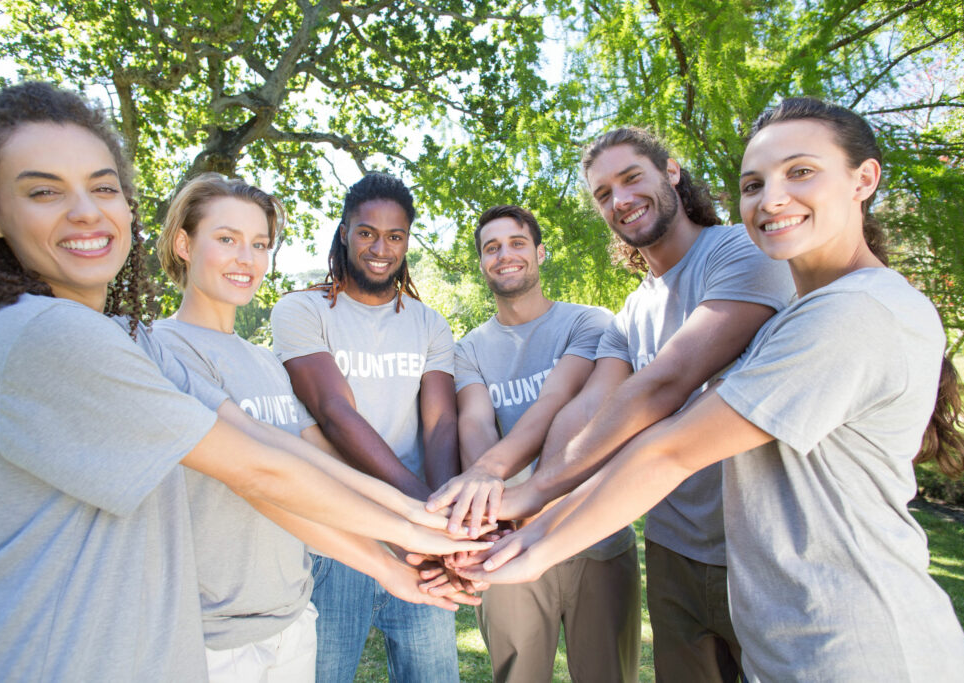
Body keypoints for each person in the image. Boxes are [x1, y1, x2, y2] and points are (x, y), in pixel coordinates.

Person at [0, 82, 486, 683]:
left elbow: (275, 454)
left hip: (253, 625)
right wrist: (423, 529)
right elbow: (257, 473)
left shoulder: (115, 339)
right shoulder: (62, 335)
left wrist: (404, 547)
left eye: (104, 188)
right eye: (44, 190)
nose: (85, 211)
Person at [464, 98, 964, 682]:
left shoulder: (814, 294)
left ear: (864, 180)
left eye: (801, 171)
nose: (774, 198)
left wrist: (535, 518)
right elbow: (590, 407)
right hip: (721, 574)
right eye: (755, 183)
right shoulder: (672, 310)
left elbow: (669, 415)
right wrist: (529, 495)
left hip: (846, 632)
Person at [433, 128, 794, 681]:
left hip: (760, 549)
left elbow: (662, 385)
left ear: (671, 172)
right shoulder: (630, 314)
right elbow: (584, 414)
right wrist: (523, 514)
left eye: (631, 179)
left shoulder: (740, 253)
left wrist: (523, 499)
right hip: (675, 549)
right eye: (603, 193)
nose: (619, 200)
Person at [153, 173, 473, 682]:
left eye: (259, 244)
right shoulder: (169, 347)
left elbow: (315, 461)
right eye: (227, 239)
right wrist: (417, 520)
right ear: (183, 243)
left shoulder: (261, 363)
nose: (246, 258)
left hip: (303, 598)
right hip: (240, 610)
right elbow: (281, 458)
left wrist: (431, 521)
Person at [435, 204, 640, 682]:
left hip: (594, 535)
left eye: (517, 243)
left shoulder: (589, 322)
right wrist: (495, 517)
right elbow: (476, 426)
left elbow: (558, 400)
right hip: (507, 544)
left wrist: (498, 481)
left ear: (540, 253)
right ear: (482, 263)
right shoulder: (468, 350)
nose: (504, 255)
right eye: (491, 248)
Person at [271, 173, 462, 683]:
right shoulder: (300, 310)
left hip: (422, 540)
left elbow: (442, 422)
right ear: (343, 233)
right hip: (338, 537)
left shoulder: (428, 323)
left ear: (407, 241)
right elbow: (334, 411)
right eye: (366, 233)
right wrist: (420, 515)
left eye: (395, 235)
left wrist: (439, 518)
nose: (381, 247)